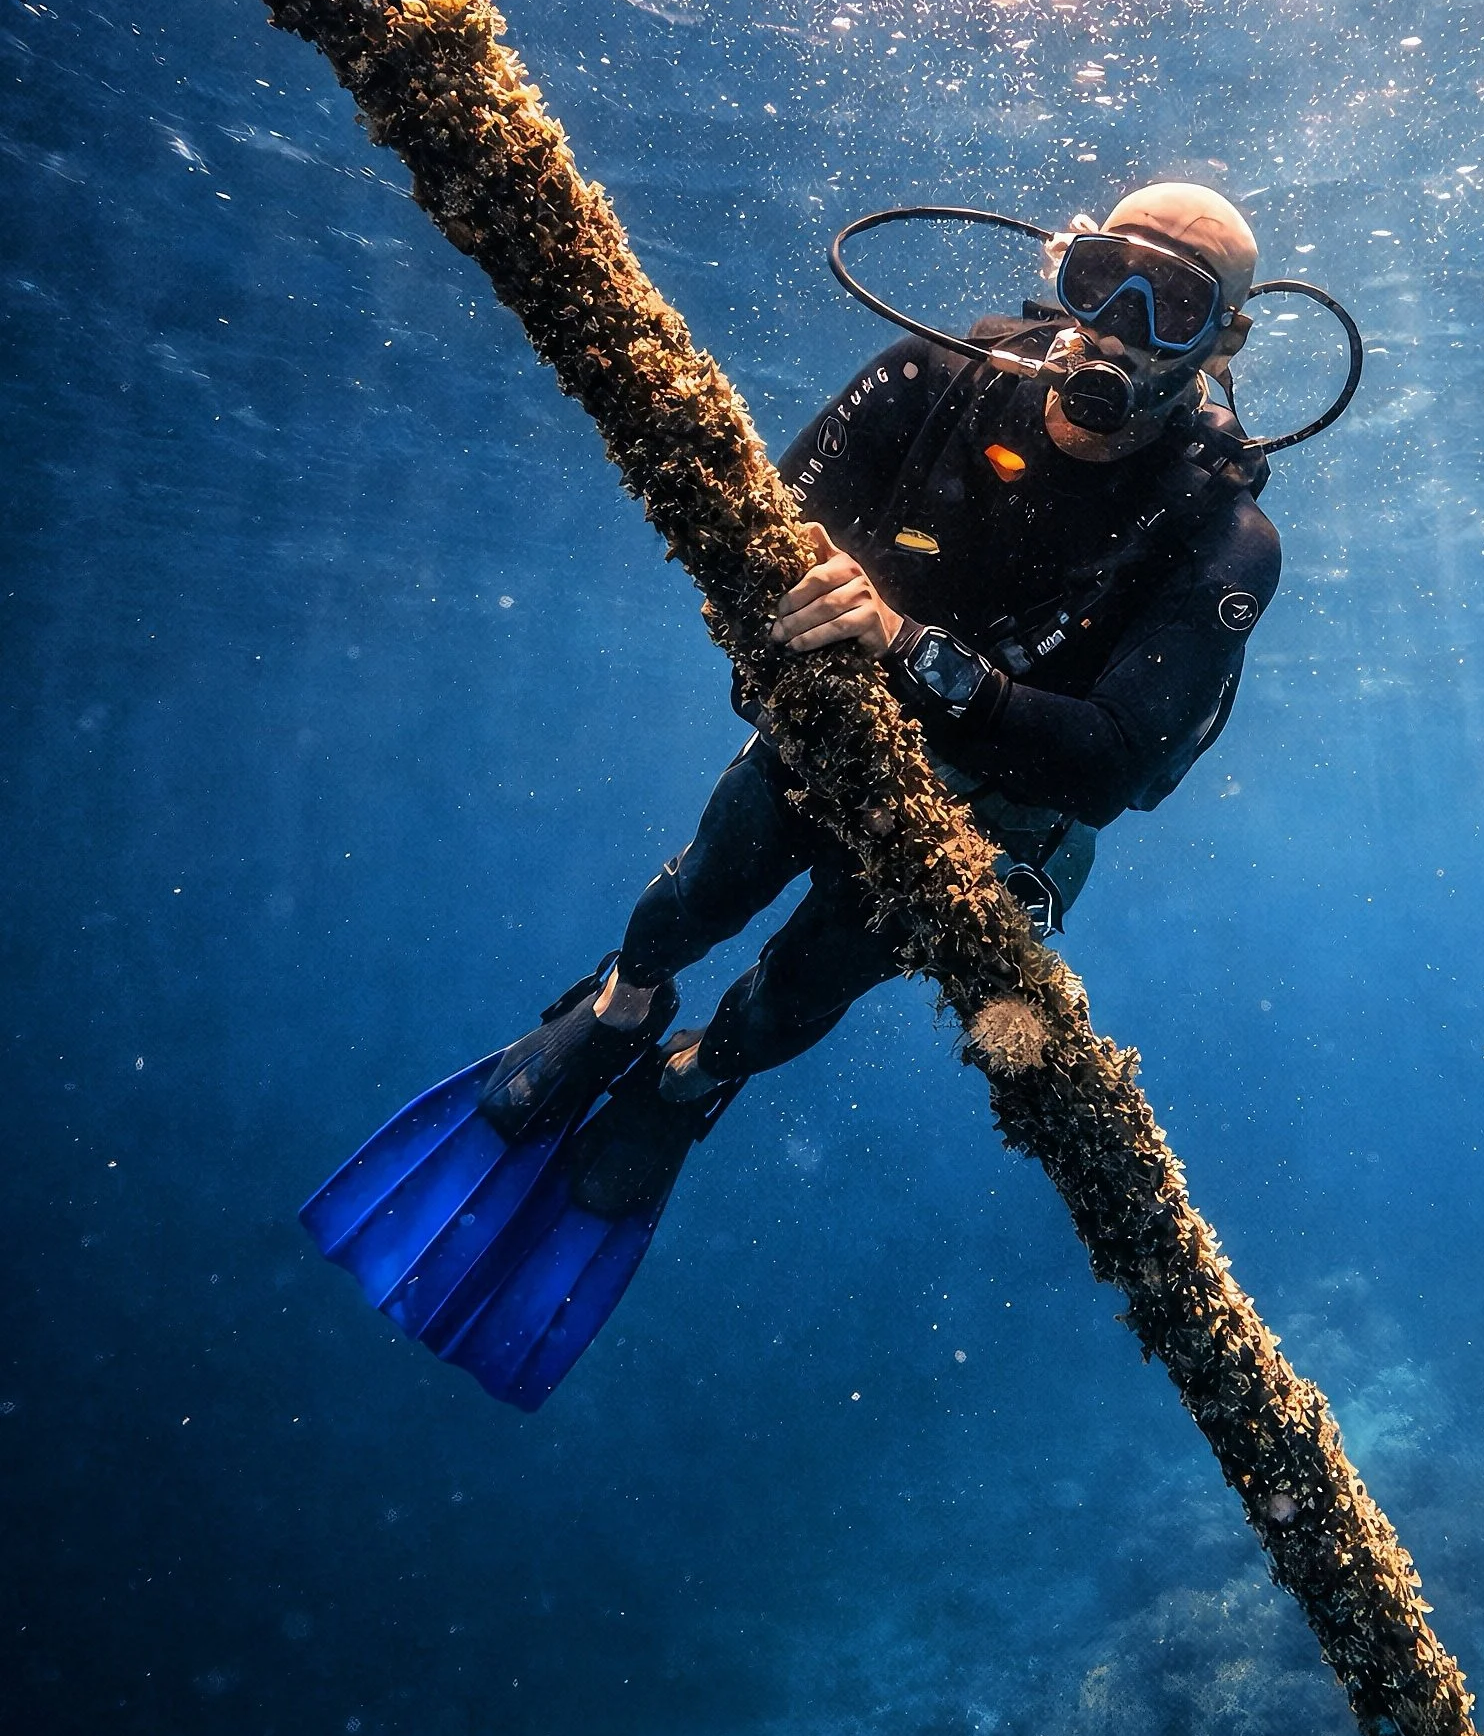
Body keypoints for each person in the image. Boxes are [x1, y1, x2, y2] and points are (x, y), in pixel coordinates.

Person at [300, 182, 1282, 1408]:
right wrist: (792, 637)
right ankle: (620, 1002)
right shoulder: (930, 382)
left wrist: (907, 647)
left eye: (1170, 303)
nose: (1117, 327)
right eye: (1101, 281)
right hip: (828, 733)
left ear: (1221, 342)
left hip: (986, 820)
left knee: (802, 989)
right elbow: (750, 551)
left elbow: (1108, 765)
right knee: (700, 891)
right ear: (1061, 272)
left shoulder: (1223, 537)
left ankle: (694, 1081)